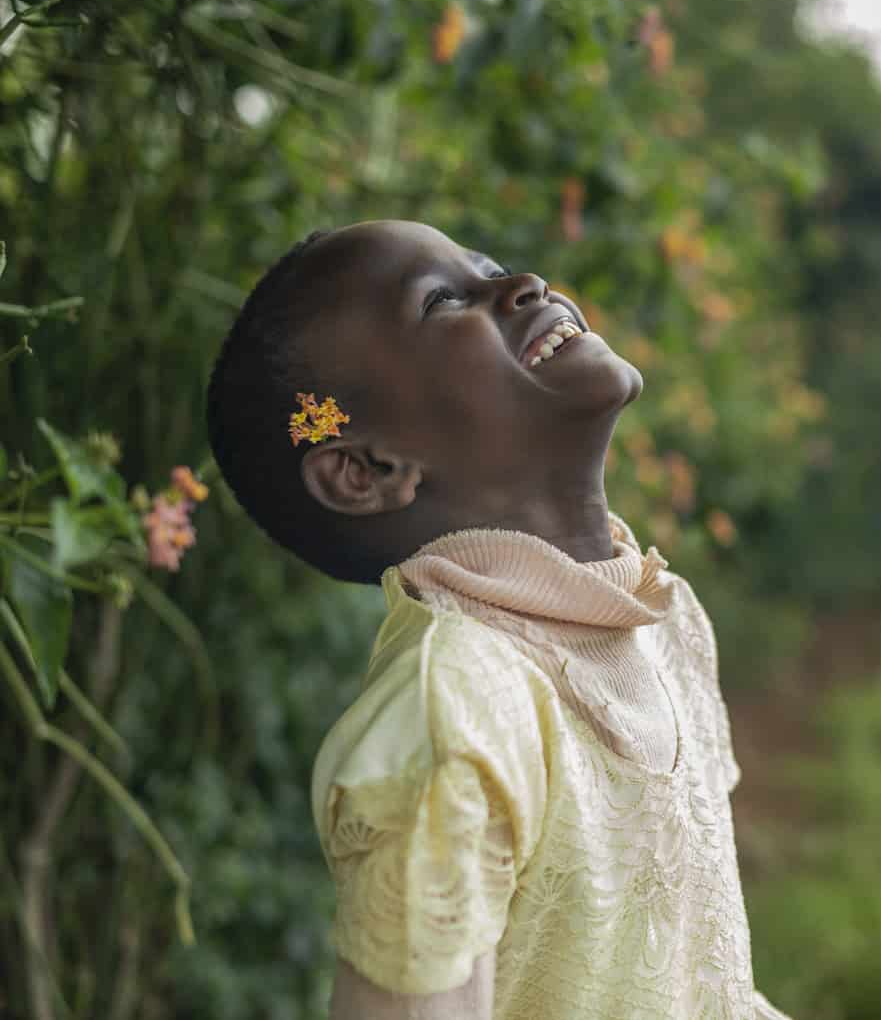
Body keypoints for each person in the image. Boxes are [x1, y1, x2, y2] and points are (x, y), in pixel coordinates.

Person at [205, 220, 790, 1019]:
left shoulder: (664, 621)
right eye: (446, 300)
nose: (520, 281)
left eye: (485, 264)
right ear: (364, 470)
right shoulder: (454, 712)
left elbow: (705, 978)